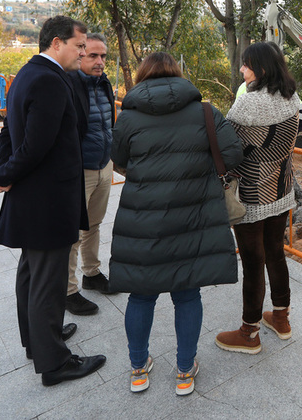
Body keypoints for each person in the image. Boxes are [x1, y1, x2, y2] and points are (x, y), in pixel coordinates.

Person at [0, 15, 107, 387]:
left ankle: (38, 341)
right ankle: (55, 364)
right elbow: (36, 145)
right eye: (79, 46)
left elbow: (9, 132)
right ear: (56, 43)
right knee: (48, 282)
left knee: (31, 275)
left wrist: (3, 171)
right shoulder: (51, 81)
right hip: (49, 199)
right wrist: (2, 175)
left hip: (32, 197)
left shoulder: (26, 74)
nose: (82, 53)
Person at [108, 52, 243, 395]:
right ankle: (185, 371)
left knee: (141, 295)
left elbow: (119, 161)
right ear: (178, 75)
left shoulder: (129, 117)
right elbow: (232, 155)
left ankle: (138, 369)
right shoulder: (205, 113)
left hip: (143, 218)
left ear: (142, 78)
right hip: (193, 216)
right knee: (186, 293)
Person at [216, 41, 301, 355]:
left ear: (261, 68)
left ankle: (249, 332)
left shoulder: (248, 104)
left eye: (246, 64)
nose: (242, 70)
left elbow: (228, 147)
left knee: (253, 264)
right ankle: (281, 318)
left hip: (251, 194)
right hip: (281, 188)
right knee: (276, 254)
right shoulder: (291, 98)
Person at [65, 33, 117, 316]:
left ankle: (92, 274)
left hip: (103, 165)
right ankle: (68, 291)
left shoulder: (104, 82)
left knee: (93, 225)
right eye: (93, 55)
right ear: (80, 54)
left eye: (104, 56)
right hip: (79, 170)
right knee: (72, 232)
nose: (100, 62)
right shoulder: (69, 84)